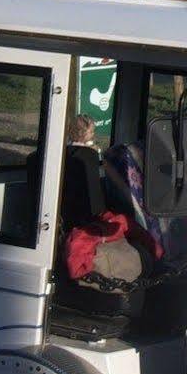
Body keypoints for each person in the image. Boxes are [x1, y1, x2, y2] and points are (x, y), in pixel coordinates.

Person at [58, 114, 157, 293]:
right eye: (92, 131)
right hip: (90, 214)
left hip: (68, 212)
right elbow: (98, 187)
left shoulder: (62, 154)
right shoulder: (90, 155)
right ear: (84, 134)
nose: (93, 135)